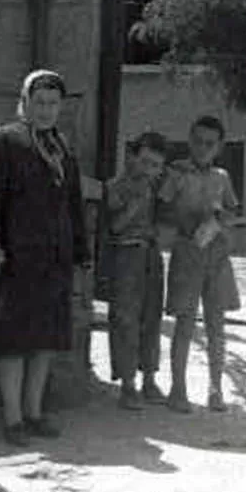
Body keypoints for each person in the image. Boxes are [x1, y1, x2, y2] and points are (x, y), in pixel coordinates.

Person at [0, 70, 92, 446]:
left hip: (53, 259)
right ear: (24, 103)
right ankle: (12, 420)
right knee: (13, 340)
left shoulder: (62, 146)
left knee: (44, 340)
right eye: (38, 102)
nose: (45, 110)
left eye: (53, 103)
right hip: (17, 257)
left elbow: (73, 203)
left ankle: (34, 412)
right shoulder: (4, 141)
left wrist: (81, 250)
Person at [158, 115, 245, 414]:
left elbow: (235, 211)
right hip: (187, 250)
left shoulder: (222, 177)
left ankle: (215, 388)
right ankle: (178, 389)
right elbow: (161, 210)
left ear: (219, 147)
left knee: (216, 324)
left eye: (210, 143)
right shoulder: (176, 174)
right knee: (184, 322)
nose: (203, 148)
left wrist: (221, 219)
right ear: (189, 141)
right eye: (197, 141)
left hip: (217, 255)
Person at [104, 131, 169, 410]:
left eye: (156, 165)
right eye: (145, 162)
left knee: (151, 316)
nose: (149, 170)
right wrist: (136, 203)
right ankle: (128, 384)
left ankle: (149, 379)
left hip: (150, 254)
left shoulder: (156, 187)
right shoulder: (116, 186)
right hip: (125, 254)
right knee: (126, 319)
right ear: (132, 157)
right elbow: (115, 226)